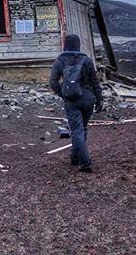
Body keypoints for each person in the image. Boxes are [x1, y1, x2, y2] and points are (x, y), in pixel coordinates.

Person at [49, 34, 103, 172]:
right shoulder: (87, 60)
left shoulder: (60, 61)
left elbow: (53, 82)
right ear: (78, 45)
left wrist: (64, 94)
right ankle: (75, 156)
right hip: (88, 99)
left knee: (76, 130)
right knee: (82, 129)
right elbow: (95, 82)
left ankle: (85, 162)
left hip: (72, 100)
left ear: (65, 44)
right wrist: (99, 99)